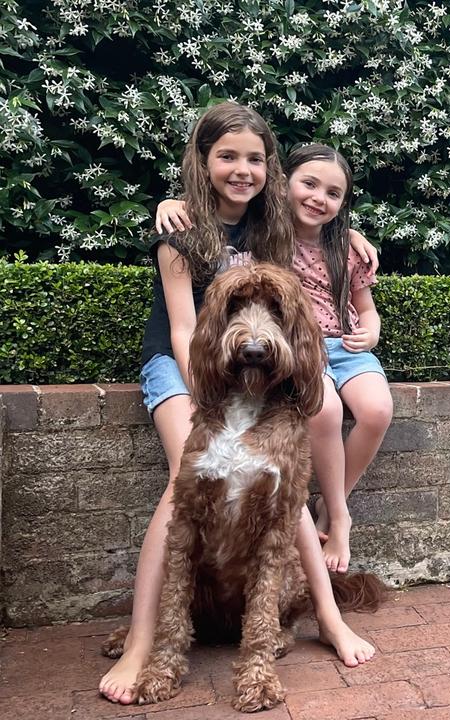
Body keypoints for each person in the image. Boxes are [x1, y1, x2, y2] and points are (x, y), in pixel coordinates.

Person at [100, 102, 375, 707]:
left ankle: (325, 615)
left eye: (255, 159)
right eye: (226, 156)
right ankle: (143, 643)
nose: (242, 170)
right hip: (185, 364)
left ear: (269, 168)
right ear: (202, 162)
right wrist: (207, 400)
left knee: (279, 485)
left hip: (250, 376)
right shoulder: (180, 231)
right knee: (185, 481)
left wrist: (348, 233)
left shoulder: (269, 226)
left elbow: (318, 219)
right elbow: (182, 330)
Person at [155, 144, 392, 574]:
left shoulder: (349, 249)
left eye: (334, 194)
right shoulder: (267, 236)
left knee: (377, 410)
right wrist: (173, 203)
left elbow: (366, 304)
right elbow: (215, 220)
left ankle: (335, 506)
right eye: (310, 184)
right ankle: (338, 517)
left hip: (347, 345)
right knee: (325, 409)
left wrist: (371, 327)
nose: (319, 198)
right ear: (283, 185)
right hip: (299, 349)